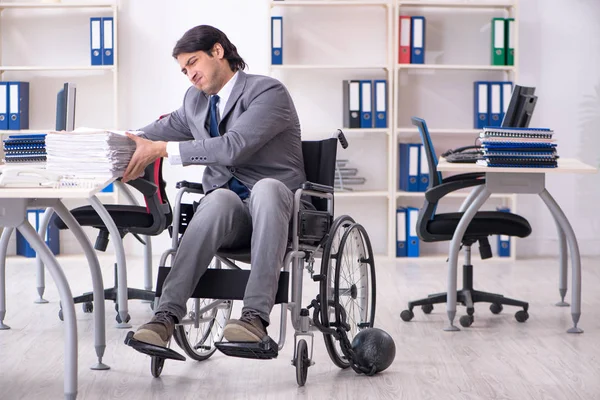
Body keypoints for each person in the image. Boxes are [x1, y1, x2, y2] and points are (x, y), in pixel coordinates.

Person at [124, 24, 306, 347]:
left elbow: (232, 146)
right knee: (218, 199)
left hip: (278, 213)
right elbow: (151, 133)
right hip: (232, 220)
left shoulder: (268, 93)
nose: (189, 74)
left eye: (193, 63)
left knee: (267, 188)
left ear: (218, 51)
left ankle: (254, 317)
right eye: (183, 70)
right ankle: (165, 316)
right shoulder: (195, 103)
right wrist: (112, 148)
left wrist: (164, 150)